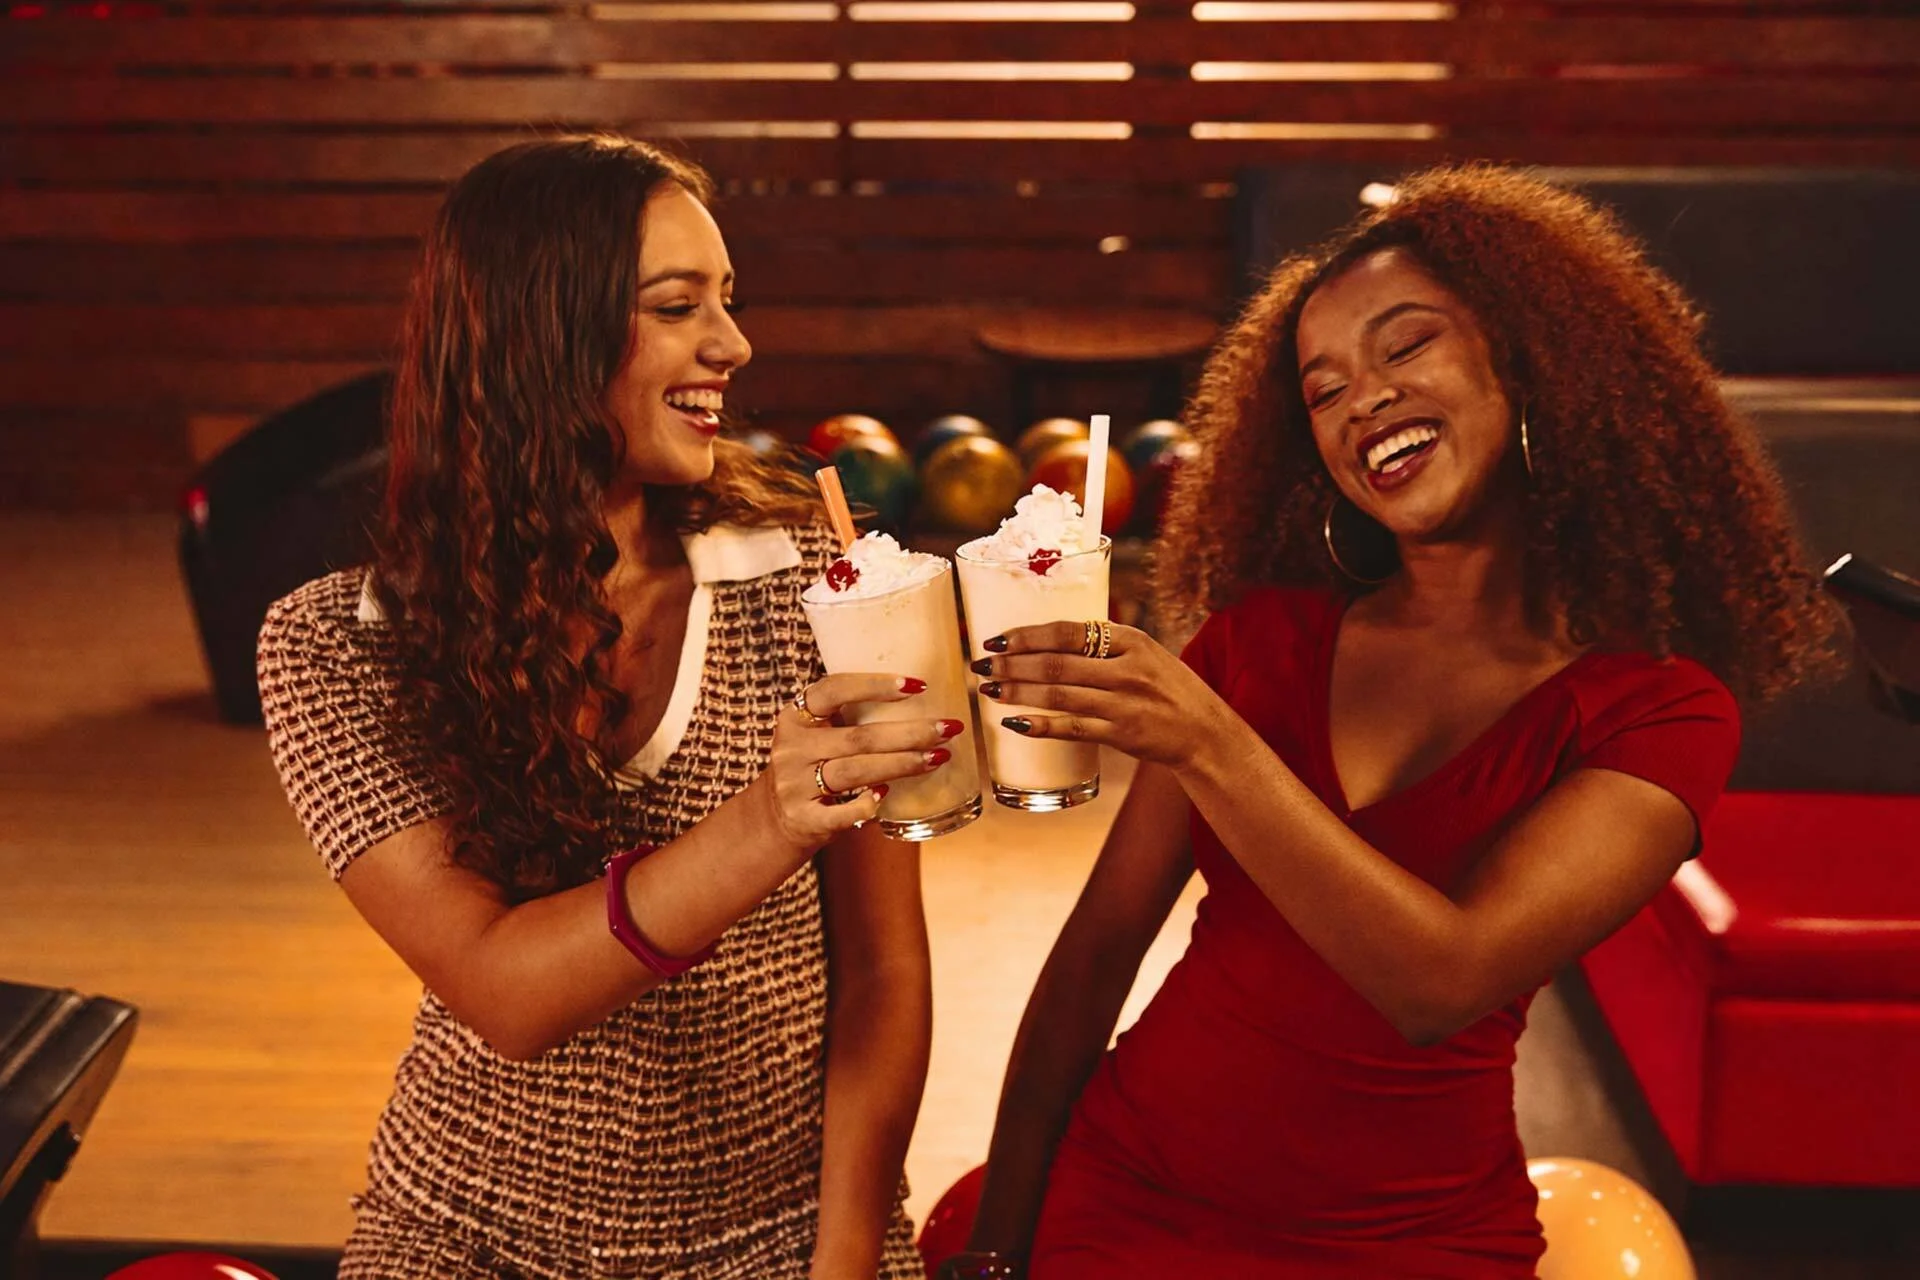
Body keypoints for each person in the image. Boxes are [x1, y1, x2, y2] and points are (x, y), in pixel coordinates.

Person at [945, 165, 1837, 1278]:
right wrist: (997, 1244)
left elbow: (1441, 979)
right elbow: (1090, 963)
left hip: (1413, 1239)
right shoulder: (1257, 641)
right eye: (1322, 389)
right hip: (1135, 1185)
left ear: (1531, 357)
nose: (1361, 396)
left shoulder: (1659, 711)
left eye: (1405, 346)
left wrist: (1212, 741)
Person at [257, 135, 952, 1280]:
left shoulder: (811, 591)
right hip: (464, 1232)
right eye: (679, 306)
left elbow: (884, 970)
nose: (733, 345)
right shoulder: (340, 645)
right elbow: (505, 990)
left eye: (727, 301)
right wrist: (767, 819)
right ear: (541, 338)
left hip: (775, 1241)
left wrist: (845, 1257)